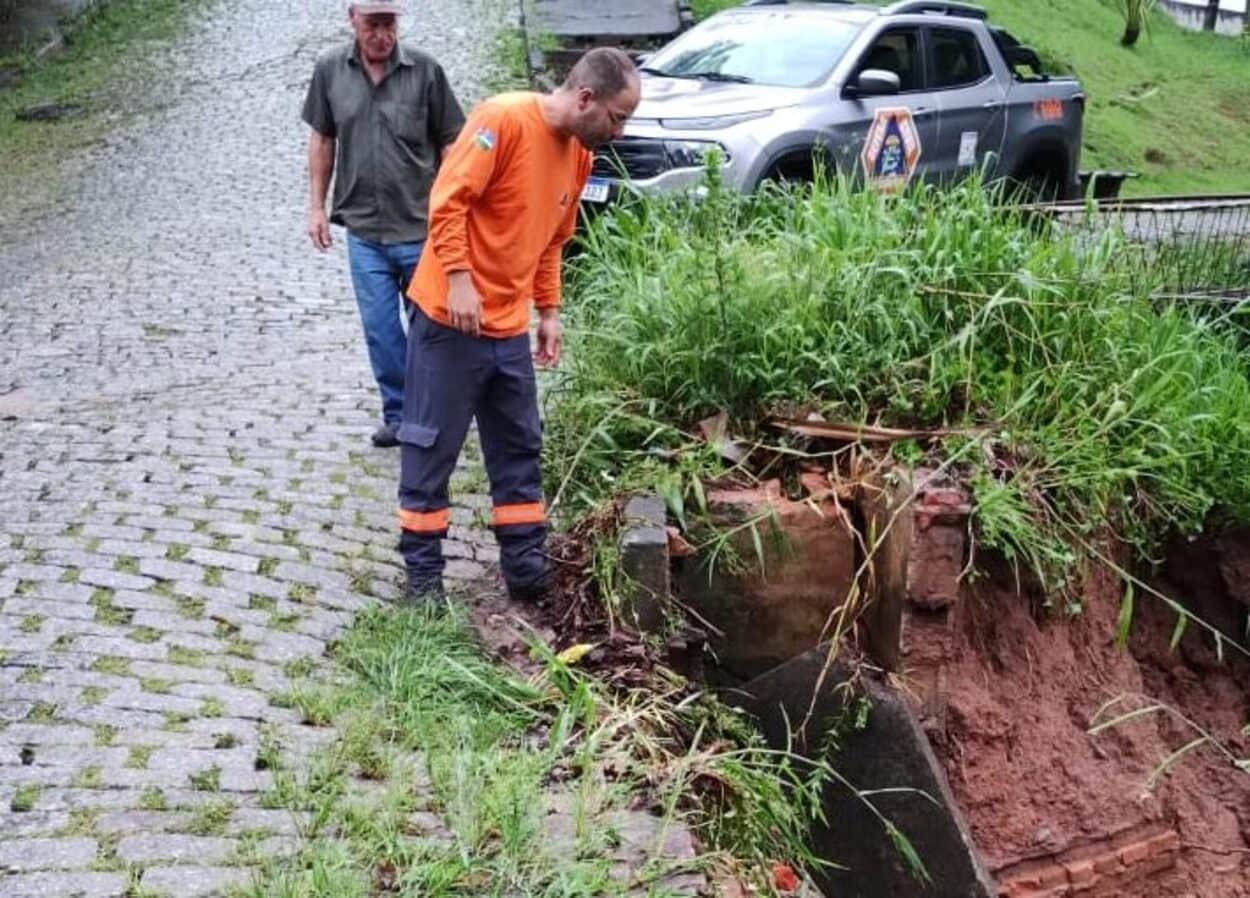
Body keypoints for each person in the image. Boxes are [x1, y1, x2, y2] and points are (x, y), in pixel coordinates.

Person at [397, 47, 641, 605]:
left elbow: (554, 239)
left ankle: (527, 571)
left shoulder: (578, 154)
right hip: (448, 321)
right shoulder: (503, 119)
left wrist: (549, 311)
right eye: (617, 116)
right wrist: (458, 276)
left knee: (519, 448)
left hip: (506, 327)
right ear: (585, 98)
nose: (620, 131)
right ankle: (423, 579)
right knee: (430, 446)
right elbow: (447, 199)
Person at [302, 0, 465, 448]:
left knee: (430, 328)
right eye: (372, 24)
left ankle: (433, 411)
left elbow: (452, 142)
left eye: (389, 24)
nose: (381, 34)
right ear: (351, 19)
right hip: (364, 231)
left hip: (420, 226)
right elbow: (322, 139)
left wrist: (449, 206)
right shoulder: (330, 70)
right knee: (380, 329)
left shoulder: (425, 71)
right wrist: (316, 206)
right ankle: (399, 413)